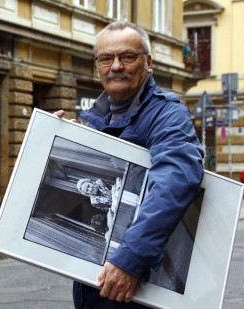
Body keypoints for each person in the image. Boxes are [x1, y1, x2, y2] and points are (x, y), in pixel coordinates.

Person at [56, 21, 204, 308]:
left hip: (137, 278)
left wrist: (131, 258)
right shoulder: (94, 119)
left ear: (148, 62)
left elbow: (174, 181)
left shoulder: (167, 113)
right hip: (97, 281)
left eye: (127, 57)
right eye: (106, 58)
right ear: (97, 66)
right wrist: (60, 142)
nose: (116, 66)